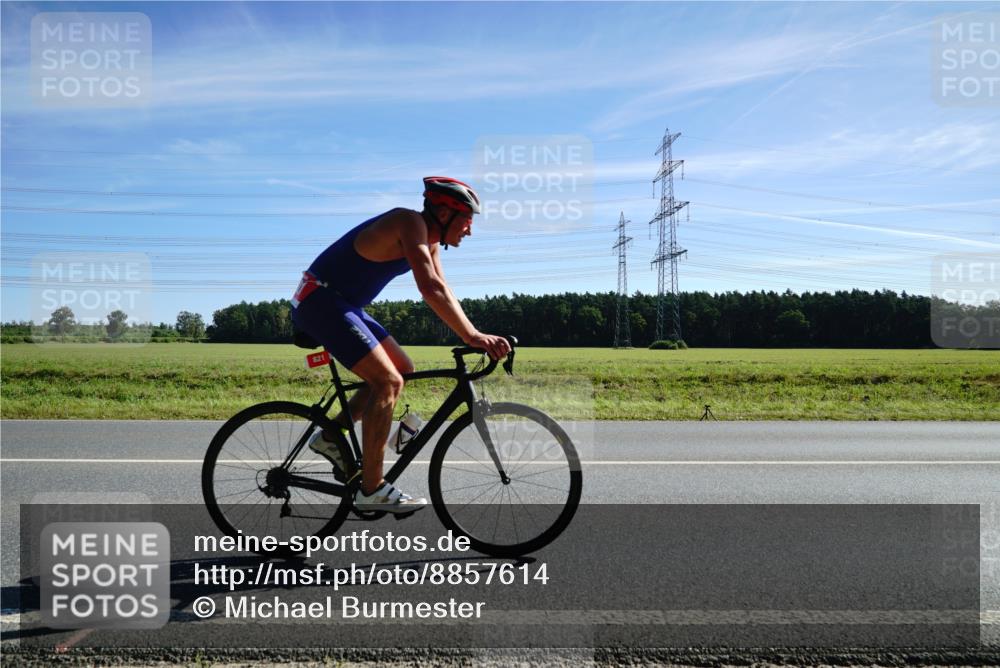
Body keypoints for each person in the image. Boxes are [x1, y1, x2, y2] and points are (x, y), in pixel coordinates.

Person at [291, 176, 512, 513]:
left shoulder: (430, 242)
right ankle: (371, 489)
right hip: (320, 299)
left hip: (344, 305)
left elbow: (442, 287)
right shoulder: (407, 221)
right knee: (387, 381)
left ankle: (331, 436)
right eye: (467, 220)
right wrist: (472, 337)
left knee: (403, 370)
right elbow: (429, 289)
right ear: (443, 212)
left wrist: (474, 332)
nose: (469, 230)